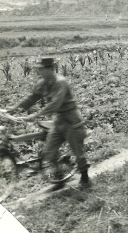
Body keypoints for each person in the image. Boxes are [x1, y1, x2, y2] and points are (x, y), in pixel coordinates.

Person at [6, 57, 91, 188]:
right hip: (58, 121)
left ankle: (85, 179)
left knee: (78, 152)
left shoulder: (61, 82)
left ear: (51, 69)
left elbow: (55, 104)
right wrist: (14, 108)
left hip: (71, 120)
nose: (39, 71)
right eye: (38, 69)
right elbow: (31, 98)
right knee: (48, 154)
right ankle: (60, 177)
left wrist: (35, 116)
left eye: (42, 69)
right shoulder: (42, 83)